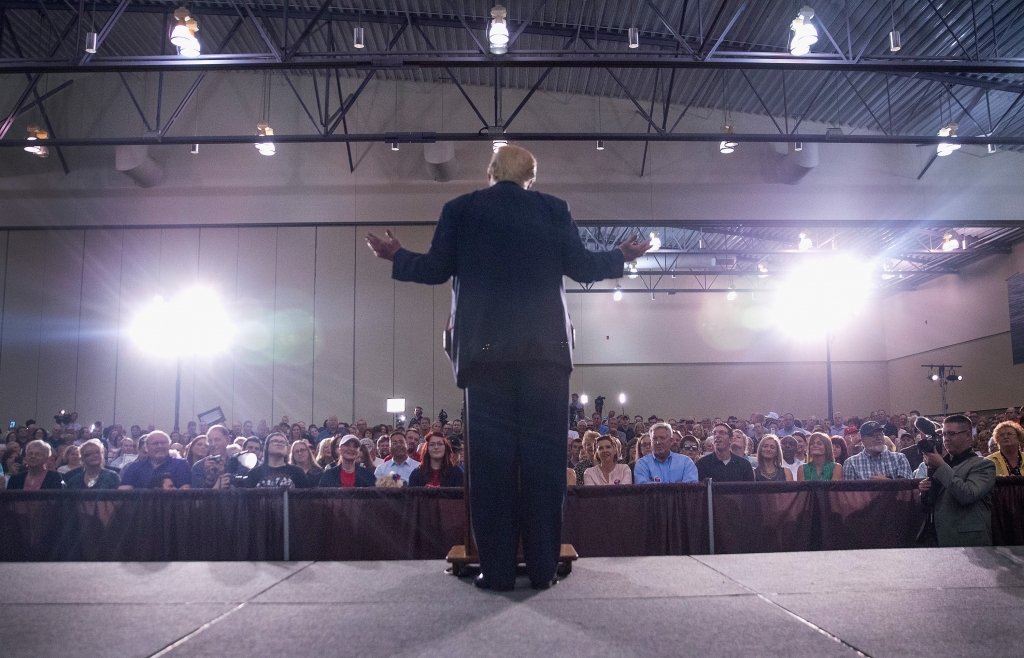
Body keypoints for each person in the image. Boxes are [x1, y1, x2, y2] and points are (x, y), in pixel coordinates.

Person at [367, 144, 650, 591]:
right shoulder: (555, 210)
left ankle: (497, 572)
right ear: (531, 177)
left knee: (492, 471)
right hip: (545, 357)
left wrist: (396, 255)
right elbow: (583, 267)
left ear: (492, 172)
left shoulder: (461, 209)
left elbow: (437, 268)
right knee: (544, 466)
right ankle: (541, 570)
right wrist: (622, 255)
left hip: (485, 357)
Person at [918, 414, 997, 546]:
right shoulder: (942, 464)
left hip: (968, 542)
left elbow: (968, 495)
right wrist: (924, 492)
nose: (946, 439)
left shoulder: (983, 465)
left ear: (967, 435)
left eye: (951, 434)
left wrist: (941, 466)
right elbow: (931, 506)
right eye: (943, 435)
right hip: (936, 538)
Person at [119, 431, 191, 489]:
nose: (160, 446)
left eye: (163, 443)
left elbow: (185, 493)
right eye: (155, 443)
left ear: (169, 446)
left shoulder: (181, 464)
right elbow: (123, 494)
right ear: (146, 447)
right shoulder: (134, 467)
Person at [843, 421, 912, 480]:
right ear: (863, 439)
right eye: (873, 435)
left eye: (880, 434)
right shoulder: (851, 463)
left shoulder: (899, 458)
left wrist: (887, 482)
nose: (879, 438)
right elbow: (849, 494)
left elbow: (907, 489)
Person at [242, 433, 311, 489]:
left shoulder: (297, 472)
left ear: (287, 449)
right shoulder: (254, 473)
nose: (279, 443)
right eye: (275, 441)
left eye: (282, 442)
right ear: (266, 447)